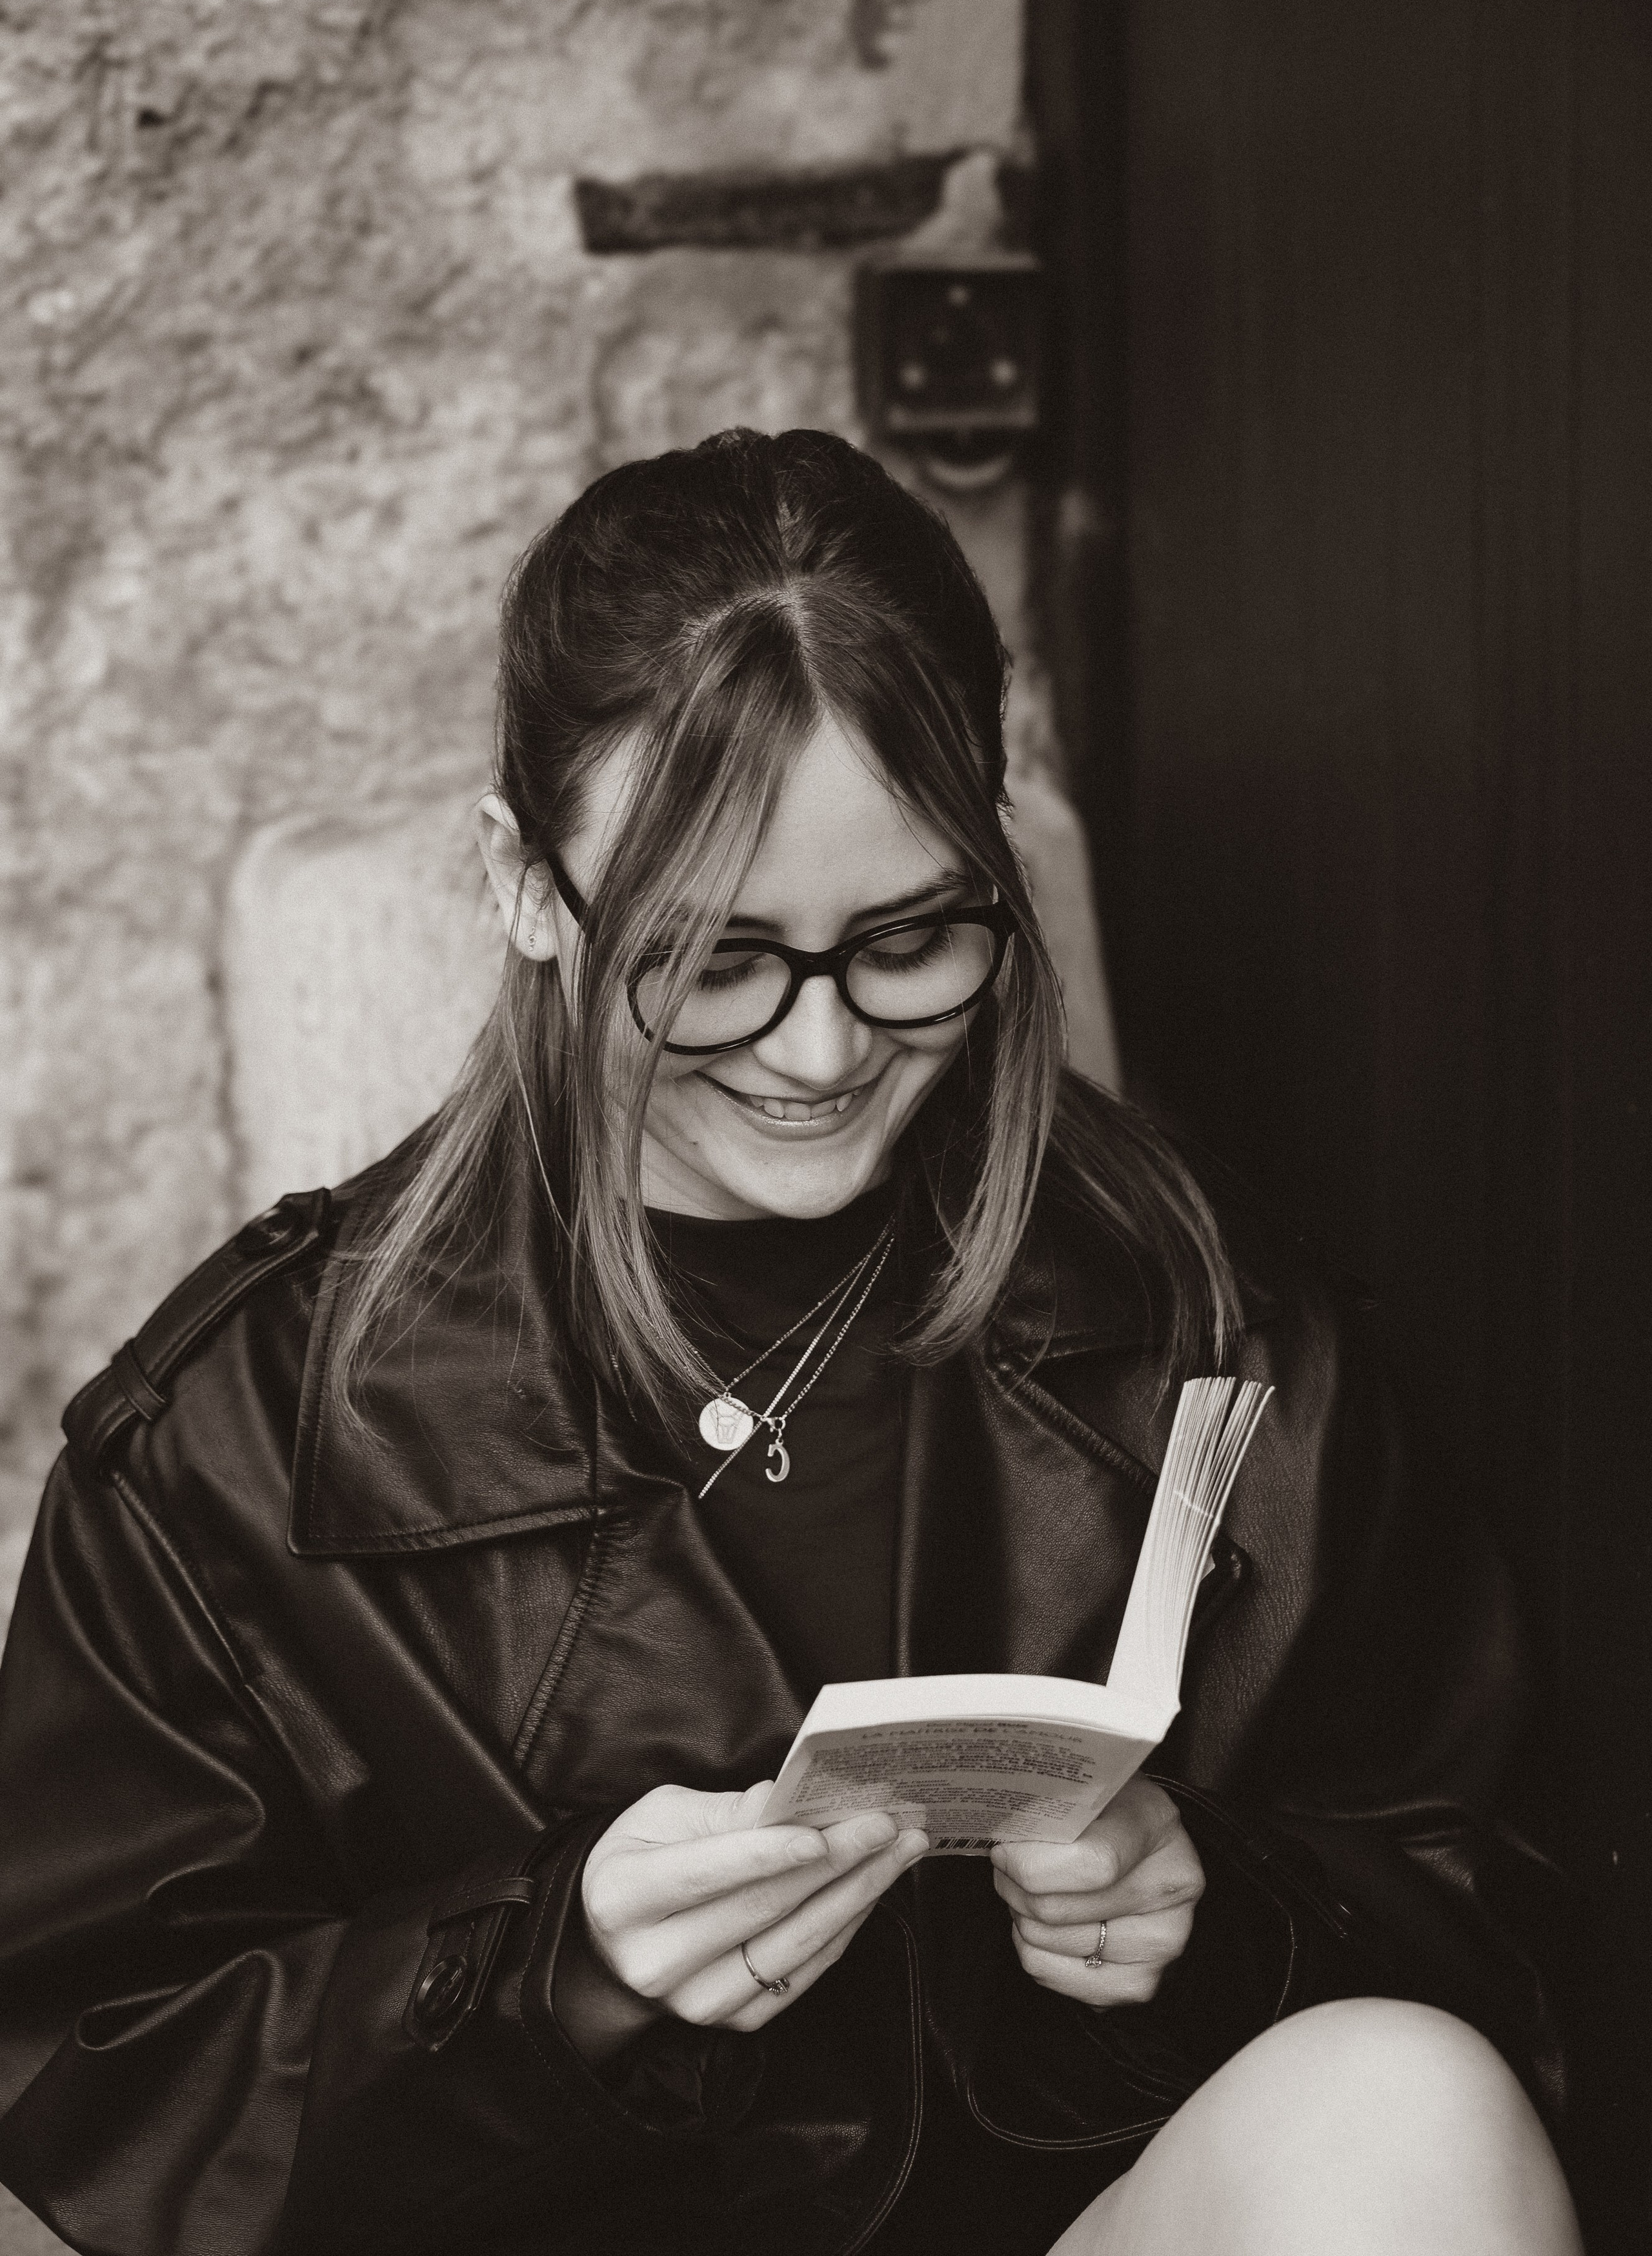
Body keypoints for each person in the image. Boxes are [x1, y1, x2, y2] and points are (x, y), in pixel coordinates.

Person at [0, 429, 1580, 2256]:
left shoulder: (1210, 1333)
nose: (824, 1057)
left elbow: (1504, 1914)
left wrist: (1217, 1913)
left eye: (910, 938)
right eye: (713, 961)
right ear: (523, 888)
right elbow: (73, 2082)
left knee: (1406, 2115)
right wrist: (532, 1983)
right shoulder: (235, 1441)